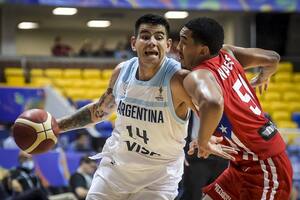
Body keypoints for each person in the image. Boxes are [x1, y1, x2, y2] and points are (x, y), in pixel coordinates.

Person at [57, 14, 235, 200]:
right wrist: (59, 126)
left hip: (158, 177)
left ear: (168, 45)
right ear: (134, 43)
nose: (151, 42)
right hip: (115, 169)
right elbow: (99, 111)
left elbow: (215, 106)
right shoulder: (121, 71)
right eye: (145, 36)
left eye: (158, 37)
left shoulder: (179, 80)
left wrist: (207, 137)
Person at [177, 17, 293, 200]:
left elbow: (214, 104)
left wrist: (203, 141)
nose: (178, 48)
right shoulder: (227, 53)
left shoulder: (198, 75)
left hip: (265, 166)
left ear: (203, 50)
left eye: (184, 43)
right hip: (242, 164)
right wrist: (265, 75)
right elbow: (273, 59)